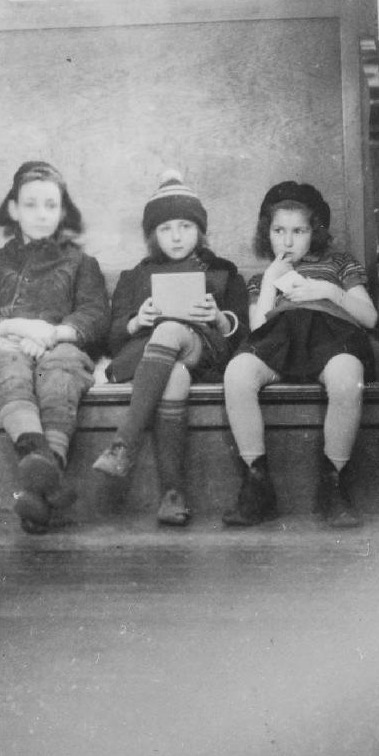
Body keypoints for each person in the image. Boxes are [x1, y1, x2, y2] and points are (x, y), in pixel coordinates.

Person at [92, 171, 249, 525]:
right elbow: (113, 338)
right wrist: (137, 321)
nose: (176, 236)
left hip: (208, 353)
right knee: (174, 375)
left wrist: (220, 318)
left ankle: (124, 444)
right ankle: (172, 495)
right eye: (165, 228)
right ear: (152, 235)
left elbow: (247, 332)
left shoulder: (222, 271)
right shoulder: (136, 277)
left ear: (200, 230)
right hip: (160, 362)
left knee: (171, 330)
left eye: (185, 226)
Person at [222, 181, 378, 529]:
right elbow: (258, 329)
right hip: (278, 344)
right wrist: (269, 284)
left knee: (346, 376)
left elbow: (370, 317)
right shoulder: (262, 277)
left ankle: (334, 483)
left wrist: (329, 290)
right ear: (268, 233)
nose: (288, 241)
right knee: (237, 374)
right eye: (279, 230)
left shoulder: (339, 264)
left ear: (315, 232)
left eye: (298, 230)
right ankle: (257, 483)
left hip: (331, 341)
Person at [0, 160, 109, 534]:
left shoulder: (81, 263)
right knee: (8, 366)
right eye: (30, 204)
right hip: (8, 345)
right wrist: (15, 326)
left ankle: (40, 481)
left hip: (59, 345)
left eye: (50, 204)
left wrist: (54, 334)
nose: (41, 214)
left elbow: (95, 315)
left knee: (59, 372)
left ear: (63, 210)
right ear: (14, 208)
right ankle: (47, 468)